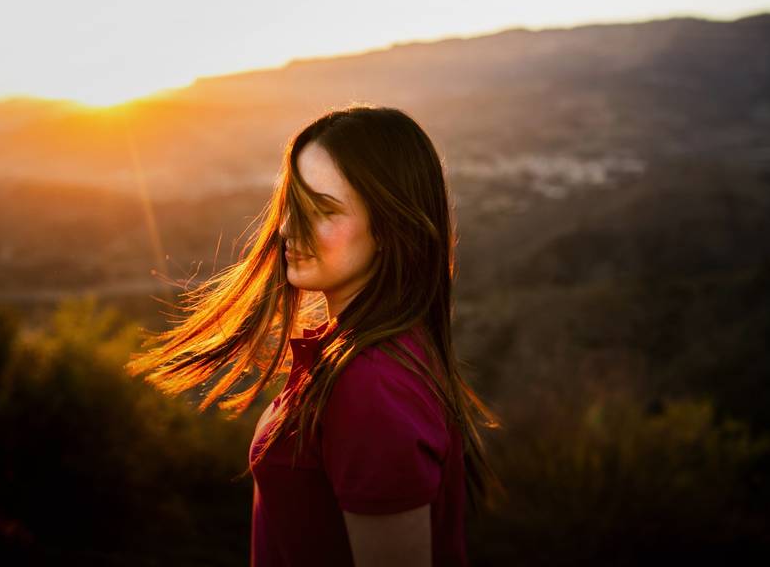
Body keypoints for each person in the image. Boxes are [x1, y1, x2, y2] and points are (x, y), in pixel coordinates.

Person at [126, 105, 505, 566]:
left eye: (322, 210)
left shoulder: (372, 385)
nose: (287, 229)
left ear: (391, 227)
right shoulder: (351, 356)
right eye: (293, 206)